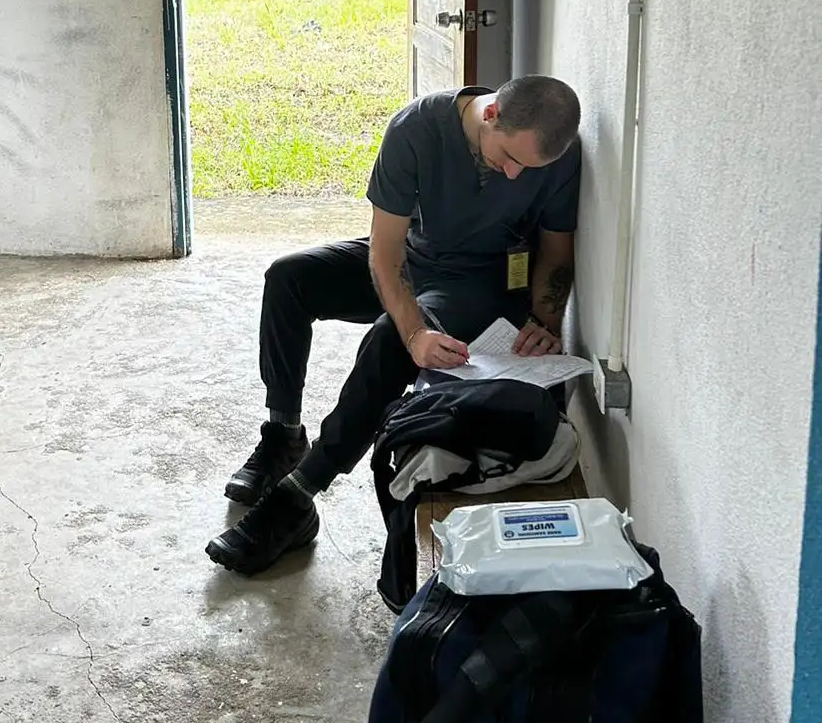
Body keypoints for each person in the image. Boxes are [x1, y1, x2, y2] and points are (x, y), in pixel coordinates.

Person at [205, 75, 582, 575]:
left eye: (528, 168)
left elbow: (556, 250)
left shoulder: (557, 153)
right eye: (509, 159)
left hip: (474, 283)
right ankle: (283, 436)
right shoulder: (416, 128)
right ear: (490, 115)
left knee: (386, 339)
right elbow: (383, 256)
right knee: (289, 278)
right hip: (407, 259)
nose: (516, 176)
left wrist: (543, 318)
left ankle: (298, 496)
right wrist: (415, 332)